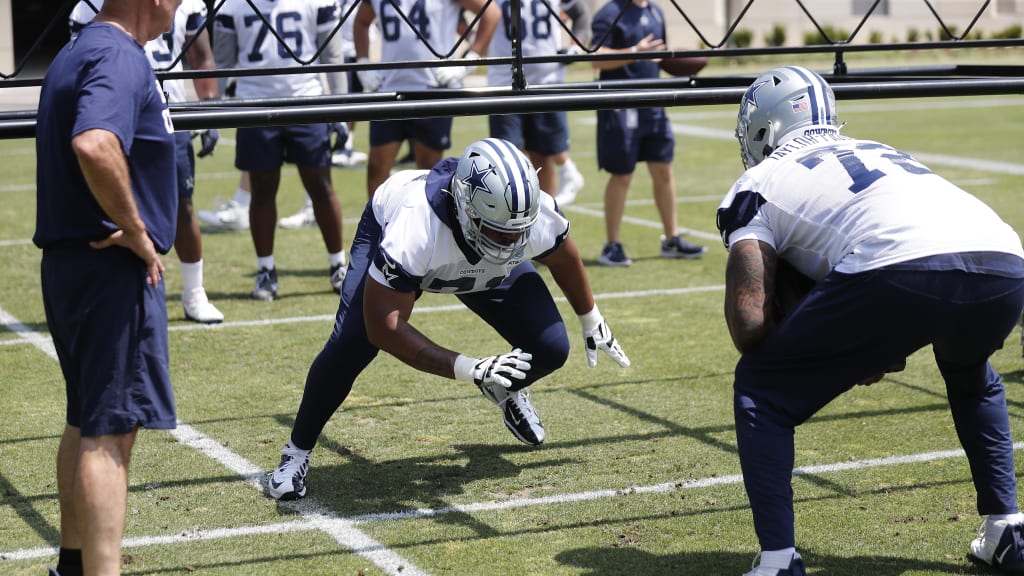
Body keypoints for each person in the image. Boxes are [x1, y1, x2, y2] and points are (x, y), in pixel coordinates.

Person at [717, 65, 1024, 575]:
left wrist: (841, 346)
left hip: (900, 266)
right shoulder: (880, 148)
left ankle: (777, 560)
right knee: (972, 377)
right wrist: (860, 342)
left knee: (760, 389)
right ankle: (1008, 530)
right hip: (1004, 257)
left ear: (764, 129)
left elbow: (748, 323)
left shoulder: (757, 181)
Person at [266, 138, 631, 500]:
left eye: (519, 231)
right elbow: (384, 326)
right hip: (408, 244)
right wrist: (469, 367)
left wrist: (589, 316)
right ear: (467, 208)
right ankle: (296, 453)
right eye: (501, 232)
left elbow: (563, 255)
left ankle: (505, 387)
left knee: (550, 346)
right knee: (352, 343)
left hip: (474, 261)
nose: (512, 242)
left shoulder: (521, 217)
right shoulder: (416, 225)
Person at [35, 0, 182, 574]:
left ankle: (72, 565)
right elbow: (95, 143)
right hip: (108, 273)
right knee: (111, 434)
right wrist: (138, 228)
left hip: (73, 267)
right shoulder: (118, 54)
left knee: (87, 418)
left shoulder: (79, 49)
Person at [69, 0, 224, 324]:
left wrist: (209, 110)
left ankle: (195, 291)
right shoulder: (87, 8)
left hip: (168, 114)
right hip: (114, 114)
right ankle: (111, 292)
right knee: (107, 205)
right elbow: (78, 64)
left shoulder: (185, 4)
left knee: (181, 206)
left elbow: (200, 56)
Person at [214, 0, 349, 299]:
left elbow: (333, 56)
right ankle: (266, 270)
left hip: (306, 102)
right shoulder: (233, 6)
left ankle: (339, 265)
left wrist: (340, 108)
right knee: (262, 190)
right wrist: (215, 108)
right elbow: (222, 63)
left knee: (321, 187)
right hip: (255, 105)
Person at [590, 0, 705, 266]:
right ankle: (612, 245)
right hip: (621, 105)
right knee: (622, 175)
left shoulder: (656, 11)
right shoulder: (608, 14)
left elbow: (658, 56)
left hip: (654, 103)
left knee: (664, 169)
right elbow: (595, 58)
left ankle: (672, 239)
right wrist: (633, 52)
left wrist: (679, 60)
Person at [353, 0, 499, 197]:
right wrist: (362, 61)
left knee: (429, 171)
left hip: (433, 89)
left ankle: (428, 224)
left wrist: (468, 61)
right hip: (390, 89)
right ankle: (377, 225)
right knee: (377, 166)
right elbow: (361, 21)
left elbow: (491, 13)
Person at [486, 0, 587, 207]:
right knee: (507, 159)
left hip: (546, 80)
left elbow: (580, 14)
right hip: (504, 81)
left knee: (543, 156)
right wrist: (475, 43)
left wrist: (577, 47)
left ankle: (546, 215)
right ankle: (514, 212)